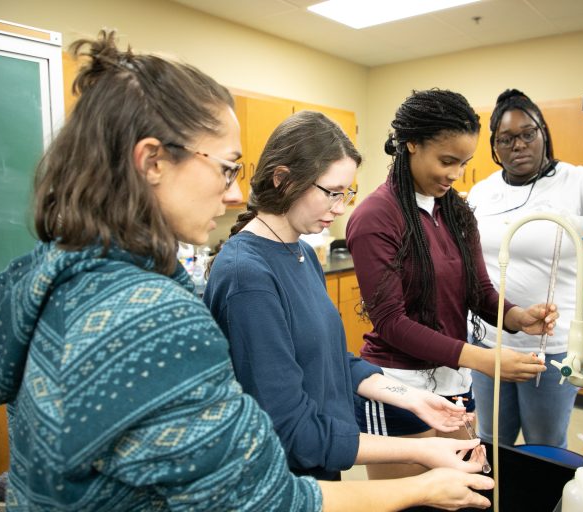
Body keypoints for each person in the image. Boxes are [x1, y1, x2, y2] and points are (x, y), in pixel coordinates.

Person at [0, 31, 493, 511]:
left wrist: (409, 398)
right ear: (152, 162)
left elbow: (329, 361)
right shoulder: (154, 316)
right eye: (225, 168)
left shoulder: (64, 275)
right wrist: (422, 481)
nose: (235, 192)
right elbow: (262, 494)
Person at [204, 110, 487, 482]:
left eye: (346, 193)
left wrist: (412, 397)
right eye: (332, 193)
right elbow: (292, 433)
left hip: (321, 468)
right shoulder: (248, 277)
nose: (340, 208)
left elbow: (335, 361)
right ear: (283, 179)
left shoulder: (302, 254)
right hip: (283, 484)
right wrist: (421, 450)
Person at [345, 88, 558, 480]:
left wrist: (516, 316)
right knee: (409, 500)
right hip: (398, 384)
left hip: (455, 381)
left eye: (463, 163)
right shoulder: (377, 217)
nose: (455, 174)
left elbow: (479, 292)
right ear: (411, 144)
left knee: (461, 488)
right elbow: (392, 322)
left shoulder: (456, 211)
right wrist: (484, 359)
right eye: (447, 161)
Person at [466, 88, 583, 448]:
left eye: (527, 134)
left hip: (554, 345)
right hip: (489, 340)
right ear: (494, 146)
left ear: (543, 133)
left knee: (545, 445)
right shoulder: (482, 192)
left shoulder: (579, 180)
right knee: (490, 442)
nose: (518, 145)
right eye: (506, 139)